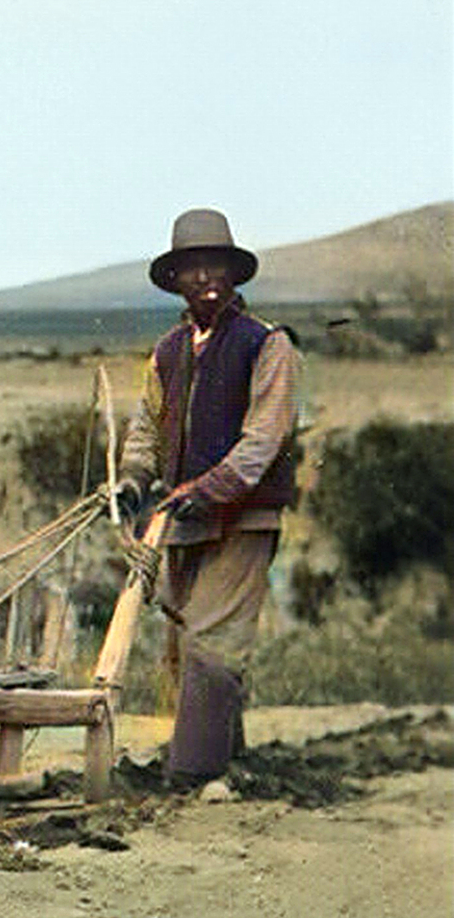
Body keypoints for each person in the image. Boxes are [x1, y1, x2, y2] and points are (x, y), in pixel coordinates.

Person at [116, 208, 302, 790]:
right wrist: (132, 481)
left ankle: (193, 775)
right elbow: (147, 426)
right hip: (185, 519)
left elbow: (264, 441)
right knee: (184, 635)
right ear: (175, 280)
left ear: (234, 273)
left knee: (212, 637)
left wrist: (208, 489)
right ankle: (224, 754)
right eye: (192, 269)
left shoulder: (267, 345)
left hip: (244, 515)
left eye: (215, 265)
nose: (205, 279)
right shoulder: (168, 351)